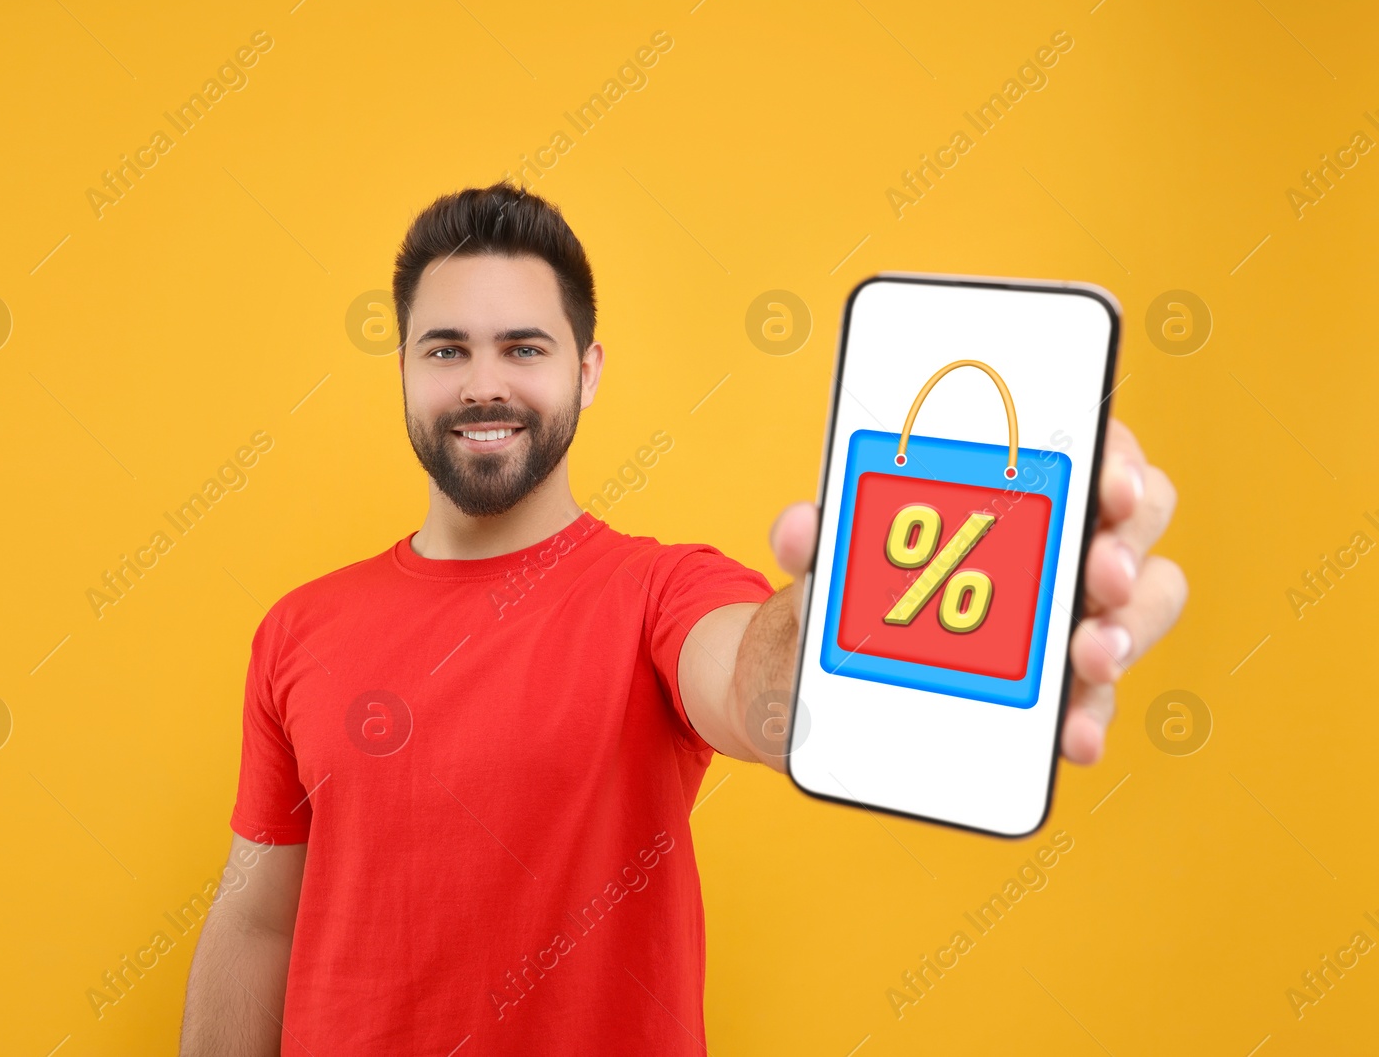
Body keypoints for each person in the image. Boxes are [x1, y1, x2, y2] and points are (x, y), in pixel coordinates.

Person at [177, 183, 1186, 1054]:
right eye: (448, 348)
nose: (483, 380)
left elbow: (758, 688)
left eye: (523, 346)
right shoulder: (299, 626)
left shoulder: (660, 592)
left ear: (587, 369)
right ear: (403, 366)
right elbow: (259, 917)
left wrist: (893, 610)